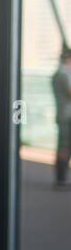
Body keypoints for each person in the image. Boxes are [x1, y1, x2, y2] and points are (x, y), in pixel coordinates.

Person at [54, 46, 71, 188]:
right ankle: (62, 178)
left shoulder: (58, 73)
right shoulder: (64, 75)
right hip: (66, 115)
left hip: (63, 114)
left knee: (63, 146)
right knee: (64, 146)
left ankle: (61, 178)